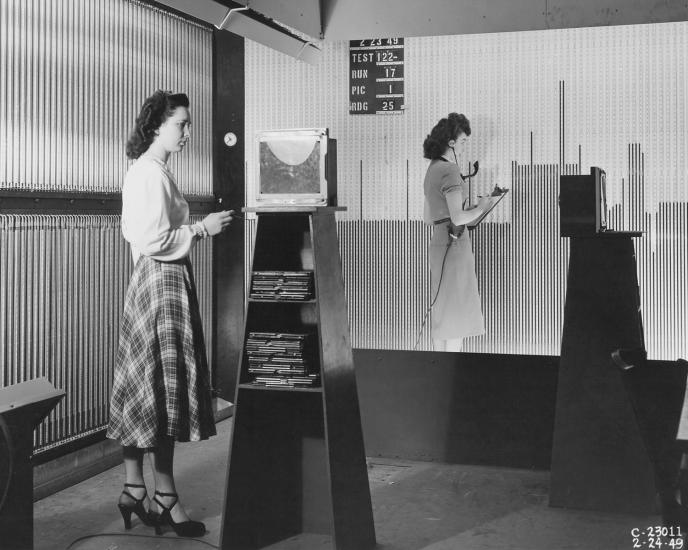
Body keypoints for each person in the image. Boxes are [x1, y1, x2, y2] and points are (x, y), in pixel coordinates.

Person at [106, 90, 233, 537]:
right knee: (157, 388)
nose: (187, 132)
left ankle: (137, 489)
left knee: (150, 385)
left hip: (160, 283)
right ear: (158, 125)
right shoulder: (146, 174)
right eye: (181, 123)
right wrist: (202, 228)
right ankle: (161, 496)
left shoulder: (154, 171)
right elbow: (153, 239)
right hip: (161, 283)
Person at [423, 113, 491, 352]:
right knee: (458, 315)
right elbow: (458, 217)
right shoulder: (451, 171)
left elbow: (428, 216)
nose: (464, 146)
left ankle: (439, 370)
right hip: (455, 246)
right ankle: (452, 373)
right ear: (451, 142)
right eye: (463, 141)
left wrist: (461, 212)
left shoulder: (432, 169)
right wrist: (483, 206)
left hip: (438, 245)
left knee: (442, 312)